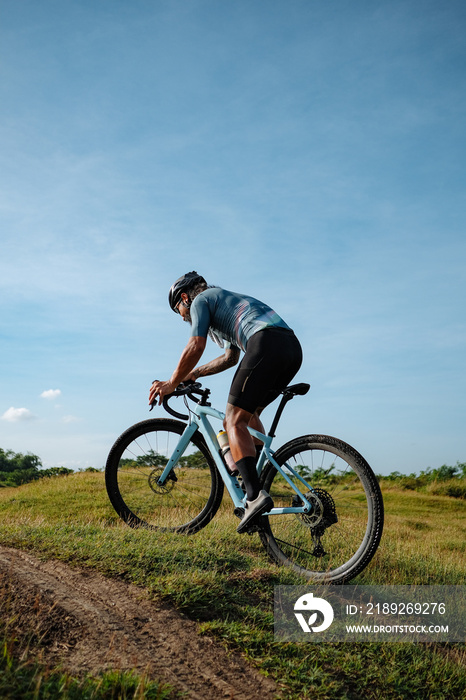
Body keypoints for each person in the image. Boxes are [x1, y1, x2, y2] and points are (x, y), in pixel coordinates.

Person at [149, 272, 303, 533]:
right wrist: (194, 374)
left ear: (185, 297)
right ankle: (254, 482)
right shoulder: (225, 303)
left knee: (232, 420)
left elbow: (195, 346)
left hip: (264, 342)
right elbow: (230, 358)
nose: (184, 318)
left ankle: (254, 497)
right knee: (250, 415)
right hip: (290, 348)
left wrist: (171, 383)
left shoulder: (200, 301)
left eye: (180, 311)